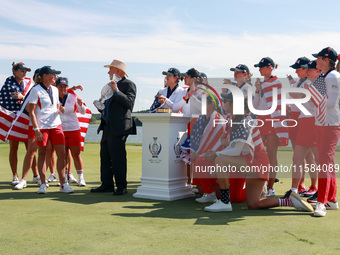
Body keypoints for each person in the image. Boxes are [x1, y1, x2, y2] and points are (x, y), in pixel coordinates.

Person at [202, 93, 313, 213]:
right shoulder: (237, 119)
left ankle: (224, 202)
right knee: (254, 204)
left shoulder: (244, 121)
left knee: (220, 160)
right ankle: (289, 201)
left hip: (256, 164)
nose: (224, 103)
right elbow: (237, 148)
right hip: (255, 163)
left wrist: (217, 154)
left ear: (234, 104)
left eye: (226, 101)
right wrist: (218, 151)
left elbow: (236, 151)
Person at [91, 59, 137, 195]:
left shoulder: (129, 85)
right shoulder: (109, 86)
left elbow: (129, 104)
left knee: (118, 157)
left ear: (117, 71)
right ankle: (107, 184)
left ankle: (122, 186)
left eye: (110, 69)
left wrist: (116, 91)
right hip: (107, 125)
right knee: (105, 156)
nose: (108, 72)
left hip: (120, 126)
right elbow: (109, 106)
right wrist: (100, 108)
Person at [29, 66, 74, 194]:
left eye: (55, 75)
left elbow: (56, 106)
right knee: (42, 153)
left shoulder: (55, 89)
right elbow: (31, 111)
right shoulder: (35, 90)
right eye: (53, 74)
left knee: (62, 153)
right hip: (42, 126)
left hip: (56, 125)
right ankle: (43, 184)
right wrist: (36, 130)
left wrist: (60, 110)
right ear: (44, 76)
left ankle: (63, 184)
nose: (55, 77)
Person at [281, 57, 318, 199]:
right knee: (298, 157)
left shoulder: (316, 82)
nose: (297, 71)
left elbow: (318, 103)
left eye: (300, 68)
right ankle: (295, 189)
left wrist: (297, 95)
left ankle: (315, 187)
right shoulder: (302, 83)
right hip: (301, 120)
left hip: (312, 121)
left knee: (312, 158)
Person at [253, 57, 288, 196]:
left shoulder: (277, 82)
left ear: (269, 67)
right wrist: (257, 90)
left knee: (271, 155)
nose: (260, 70)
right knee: (258, 154)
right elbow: (255, 106)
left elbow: (276, 106)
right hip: (261, 120)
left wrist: (261, 87)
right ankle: (259, 185)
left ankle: (270, 188)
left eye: (262, 67)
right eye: (259, 67)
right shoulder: (263, 84)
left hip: (273, 121)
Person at [311, 47, 340, 217]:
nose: (316, 61)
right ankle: (332, 199)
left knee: (324, 162)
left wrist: (315, 94)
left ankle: (322, 202)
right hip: (323, 123)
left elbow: (330, 103)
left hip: (330, 124)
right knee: (327, 162)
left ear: (326, 60)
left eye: (319, 58)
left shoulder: (333, 76)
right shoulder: (325, 76)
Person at [181, 95, 225, 203]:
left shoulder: (219, 120)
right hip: (201, 153)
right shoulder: (200, 119)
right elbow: (194, 137)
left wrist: (201, 154)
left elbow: (219, 144)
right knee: (200, 190)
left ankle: (211, 193)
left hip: (216, 155)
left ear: (212, 105)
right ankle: (206, 191)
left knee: (200, 160)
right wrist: (194, 152)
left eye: (205, 103)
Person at [0, 62, 33, 185]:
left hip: (25, 117)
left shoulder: (28, 84)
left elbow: (29, 97)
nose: (24, 73)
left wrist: (22, 96)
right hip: (12, 118)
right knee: (14, 147)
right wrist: (21, 97)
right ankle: (15, 175)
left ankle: (35, 174)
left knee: (30, 148)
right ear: (14, 71)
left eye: (25, 71)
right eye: (21, 70)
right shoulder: (8, 83)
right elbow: (11, 98)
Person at [14, 68, 41, 190]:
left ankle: (41, 177)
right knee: (31, 151)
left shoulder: (53, 90)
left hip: (48, 126)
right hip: (34, 125)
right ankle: (23, 179)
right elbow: (27, 108)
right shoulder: (34, 90)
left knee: (45, 153)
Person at [56, 77, 87, 186]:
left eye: (65, 86)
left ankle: (81, 178)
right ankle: (63, 180)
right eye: (60, 86)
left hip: (74, 129)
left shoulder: (73, 96)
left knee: (76, 154)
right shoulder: (53, 97)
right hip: (60, 130)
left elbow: (82, 112)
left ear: (67, 87)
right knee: (62, 155)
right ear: (56, 87)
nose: (62, 88)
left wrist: (81, 104)